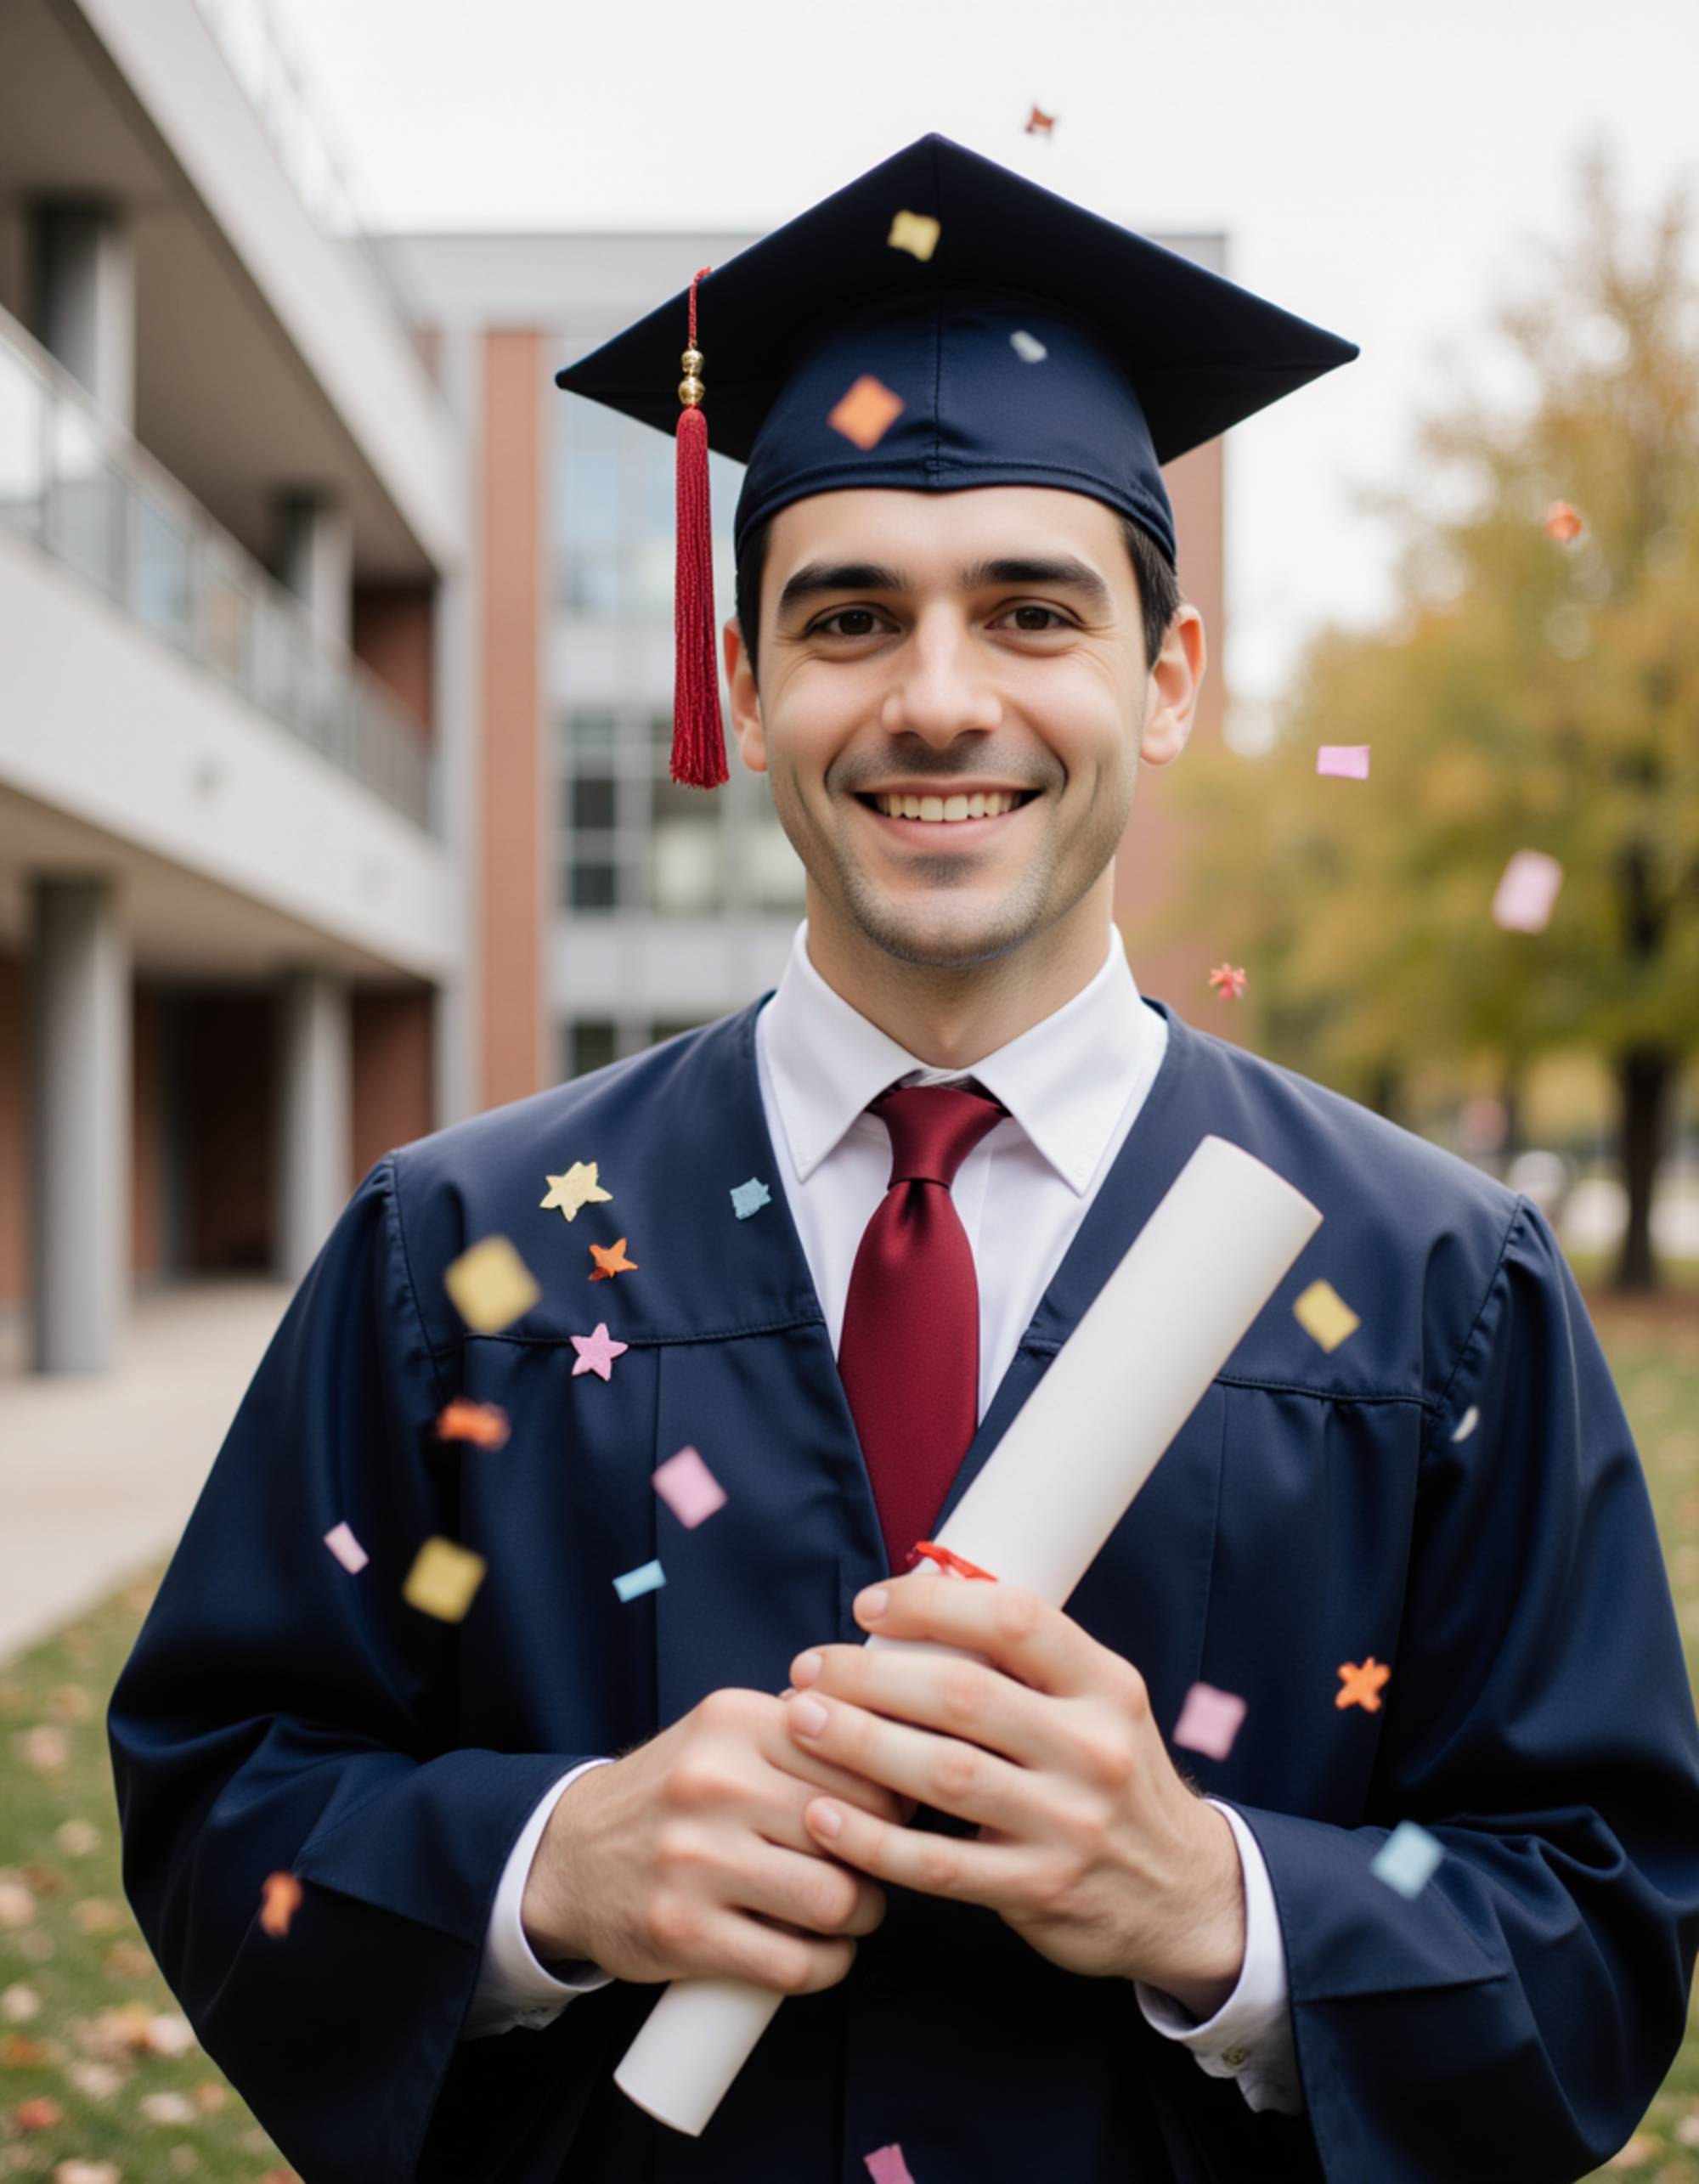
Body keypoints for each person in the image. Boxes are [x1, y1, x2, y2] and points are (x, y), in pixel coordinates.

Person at [109, 133, 1699, 2184]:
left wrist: (1224, 1906)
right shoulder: (462, 1254)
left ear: (1168, 675)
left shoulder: (1433, 1279)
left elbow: (1600, 1916)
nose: (939, 701)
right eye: (850, 617)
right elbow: (226, 1791)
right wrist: (537, 1866)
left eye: (1031, 610)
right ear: (750, 685)